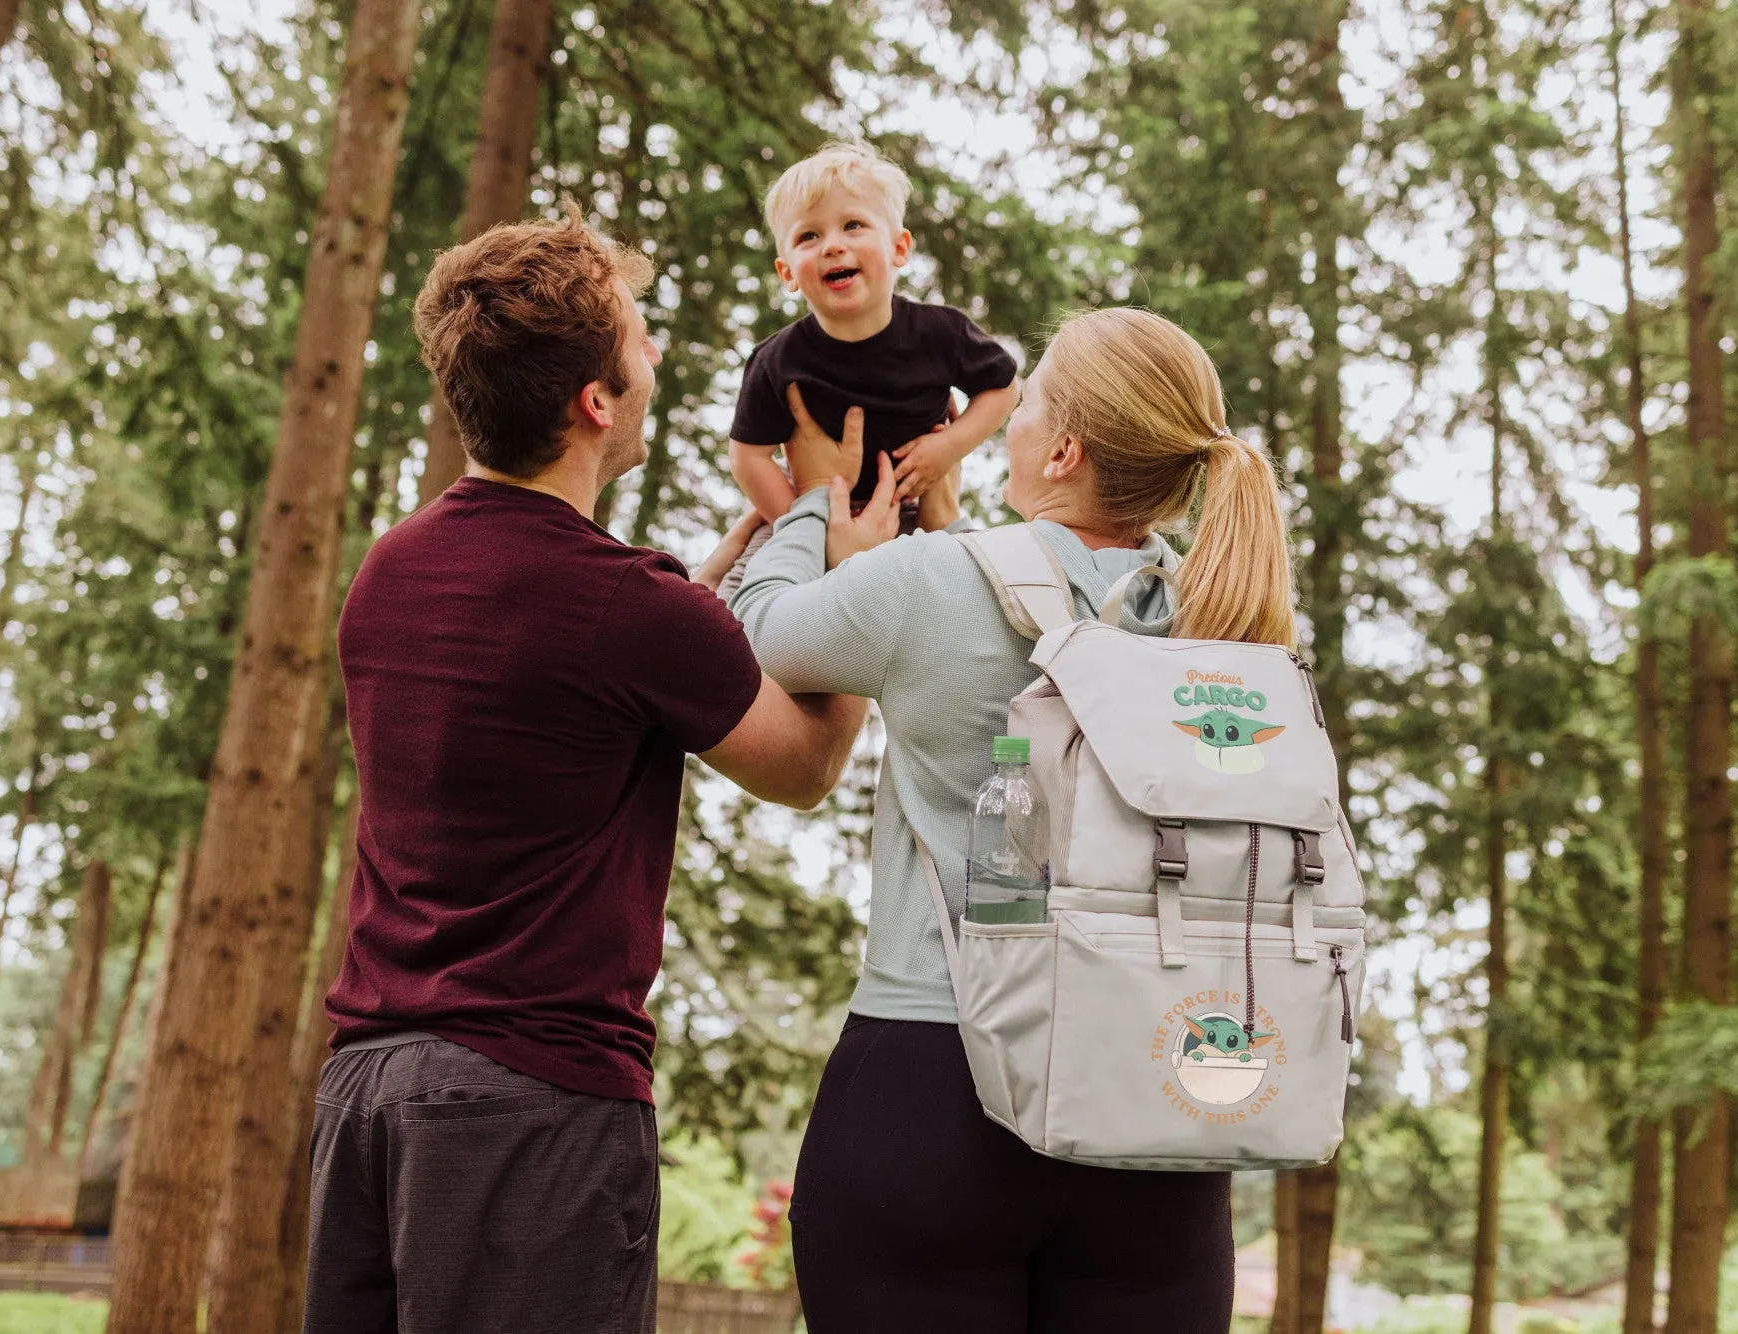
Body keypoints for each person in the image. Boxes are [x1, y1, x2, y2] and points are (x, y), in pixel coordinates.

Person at [303, 215, 865, 1334]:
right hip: (527, 1107)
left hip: (365, 1099)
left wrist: (725, 568)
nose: (654, 356)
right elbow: (802, 765)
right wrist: (849, 585)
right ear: (595, 403)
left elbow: (584, 652)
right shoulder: (625, 605)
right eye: (643, 340)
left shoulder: (392, 569)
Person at [730, 307, 1299, 1330]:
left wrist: (814, 507)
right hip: (1158, 1110)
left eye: (1026, 399)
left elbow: (750, 632)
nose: (1010, 417)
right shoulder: (1230, 623)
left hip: (929, 1086)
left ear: (1065, 447)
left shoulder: (926, 583)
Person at [715, 140, 1020, 597]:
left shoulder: (940, 333)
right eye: (808, 236)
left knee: (974, 597)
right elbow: (747, 457)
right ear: (787, 272)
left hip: (910, 512)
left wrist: (951, 447)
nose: (832, 246)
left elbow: (1004, 388)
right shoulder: (777, 359)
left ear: (898, 247)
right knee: (739, 609)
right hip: (808, 512)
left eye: (852, 225)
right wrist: (802, 520)